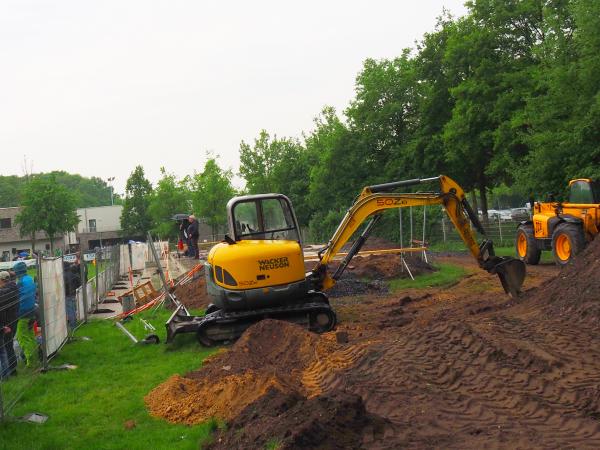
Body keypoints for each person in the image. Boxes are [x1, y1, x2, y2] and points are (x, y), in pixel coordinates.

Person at [13, 261, 38, 368]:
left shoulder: (20, 283)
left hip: (22, 314)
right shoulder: (30, 279)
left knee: (22, 338)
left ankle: (30, 361)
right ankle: (36, 356)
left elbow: (14, 295)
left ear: (17, 272)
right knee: (31, 336)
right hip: (32, 311)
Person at [0, 271, 19, 378]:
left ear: (2, 280)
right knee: (8, 345)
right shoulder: (14, 288)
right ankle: (12, 369)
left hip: (6, 323)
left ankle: (8, 372)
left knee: (6, 347)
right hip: (13, 320)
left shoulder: (3, 292)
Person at [63, 261, 81, 330]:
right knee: (73, 309)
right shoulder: (73, 274)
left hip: (67, 294)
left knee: (70, 310)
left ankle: (73, 326)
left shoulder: (63, 275)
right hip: (73, 293)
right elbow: (79, 283)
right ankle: (74, 323)